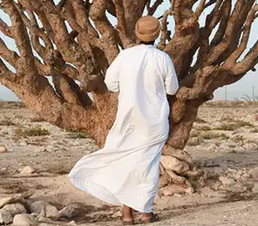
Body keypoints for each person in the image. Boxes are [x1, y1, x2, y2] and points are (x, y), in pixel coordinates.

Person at [69, 16, 179, 224]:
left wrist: (127, 89)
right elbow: (172, 88)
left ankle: (127, 213)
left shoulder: (124, 56)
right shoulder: (162, 58)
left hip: (128, 119)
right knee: (148, 164)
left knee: (126, 161)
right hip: (154, 122)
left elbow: (111, 83)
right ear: (157, 35)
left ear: (137, 34)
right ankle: (146, 213)